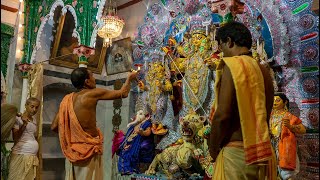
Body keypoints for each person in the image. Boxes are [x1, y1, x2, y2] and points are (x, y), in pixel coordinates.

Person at [208, 21, 276, 180]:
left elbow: (222, 115)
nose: (222, 52)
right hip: (261, 154)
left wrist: (213, 149)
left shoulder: (233, 65)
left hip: (236, 157)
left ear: (229, 41)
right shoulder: (263, 70)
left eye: (222, 46)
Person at [51, 67, 138, 180]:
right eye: (92, 75)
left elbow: (54, 126)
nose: (95, 79)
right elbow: (123, 93)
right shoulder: (93, 93)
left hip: (72, 152)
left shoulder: (67, 100)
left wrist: (73, 135)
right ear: (87, 81)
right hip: (89, 152)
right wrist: (130, 78)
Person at [270, 92, 306, 180]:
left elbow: (303, 130)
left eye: (278, 100)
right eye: (273, 100)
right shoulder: (269, 116)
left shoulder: (289, 117)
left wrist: (290, 127)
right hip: (271, 146)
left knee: (286, 174)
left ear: (285, 102)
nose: (275, 102)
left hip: (285, 146)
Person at [8, 97, 40, 180]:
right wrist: (24, 124)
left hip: (31, 156)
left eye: (36, 107)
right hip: (20, 154)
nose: (34, 109)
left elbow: (33, 136)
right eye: (32, 106)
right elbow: (15, 138)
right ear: (26, 105)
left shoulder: (34, 120)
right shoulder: (17, 119)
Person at [117, 109, 154, 175]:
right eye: (137, 114)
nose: (137, 115)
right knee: (123, 152)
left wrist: (142, 132)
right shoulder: (134, 125)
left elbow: (148, 132)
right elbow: (129, 136)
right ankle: (124, 169)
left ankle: (130, 169)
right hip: (129, 144)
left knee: (130, 153)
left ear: (147, 116)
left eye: (140, 114)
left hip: (138, 144)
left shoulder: (147, 123)